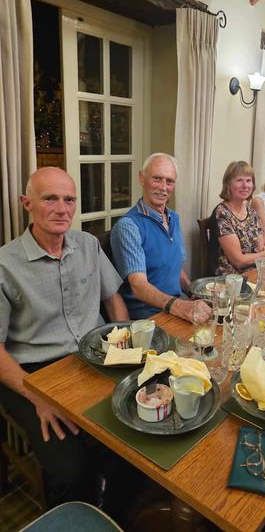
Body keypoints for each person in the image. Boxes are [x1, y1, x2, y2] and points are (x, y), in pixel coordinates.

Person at [0, 167, 129, 507]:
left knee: (135, 435)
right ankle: (74, 516)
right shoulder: (4, 264)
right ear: (26, 203)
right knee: (70, 469)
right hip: (31, 373)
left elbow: (112, 297)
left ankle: (115, 511)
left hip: (93, 356)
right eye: (50, 199)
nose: (62, 208)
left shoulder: (88, 244)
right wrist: (38, 396)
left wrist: (127, 345)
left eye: (69, 199)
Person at [111, 153, 210, 323]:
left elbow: (175, 267)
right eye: (157, 179)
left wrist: (195, 294)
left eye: (169, 181)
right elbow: (139, 286)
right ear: (142, 178)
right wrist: (179, 306)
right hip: (148, 318)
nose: (163, 187)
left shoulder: (174, 218)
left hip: (174, 307)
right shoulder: (128, 226)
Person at [209, 161, 265, 275]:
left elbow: (261, 247)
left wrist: (263, 251)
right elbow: (238, 261)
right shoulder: (222, 213)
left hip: (254, 271)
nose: (245, 185)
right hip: (230, 279)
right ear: (228, 184)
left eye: (248, 180)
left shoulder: (251, 212)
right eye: (239, 180)